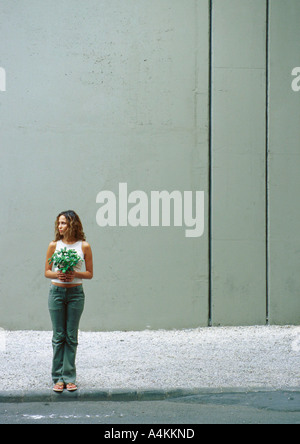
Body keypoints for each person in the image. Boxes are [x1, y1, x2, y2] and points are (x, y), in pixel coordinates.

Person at [45, 210, 93, 392]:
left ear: (72, 224)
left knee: (71, 336)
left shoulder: (84, 246)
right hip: (56, 293)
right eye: (59, 223)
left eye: (63, 223)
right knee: (59, 336)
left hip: (75, 294)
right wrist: (59, 274)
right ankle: (58, 377)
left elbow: (89, 274)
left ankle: (69, 376)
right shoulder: (54, 245)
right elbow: (47, 271)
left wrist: (74, 274)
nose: (60, 227)